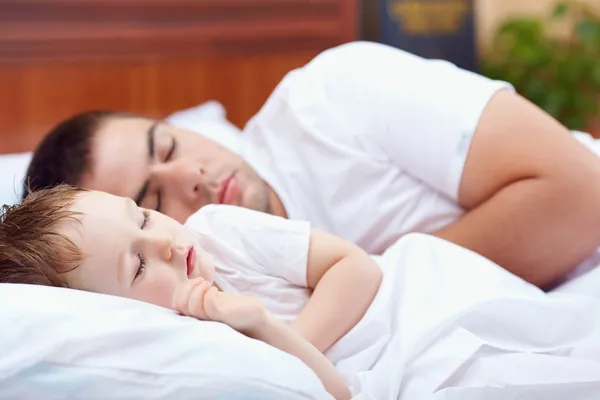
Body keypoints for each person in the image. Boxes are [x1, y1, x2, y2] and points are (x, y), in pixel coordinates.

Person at [24, 41, 600, 289]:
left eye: (170, 147)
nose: (190, 177)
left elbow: (581, 197)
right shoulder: (217, 284)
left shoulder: (333, 94)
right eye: (151, 202)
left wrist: (369, 280)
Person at [0, 185, 388, 399]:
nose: (163, 243)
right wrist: (261, 327)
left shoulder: (218, 231)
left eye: (144, 217)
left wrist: (282, 338)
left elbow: (357, 267)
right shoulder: (194, 348)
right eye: (138, 265)